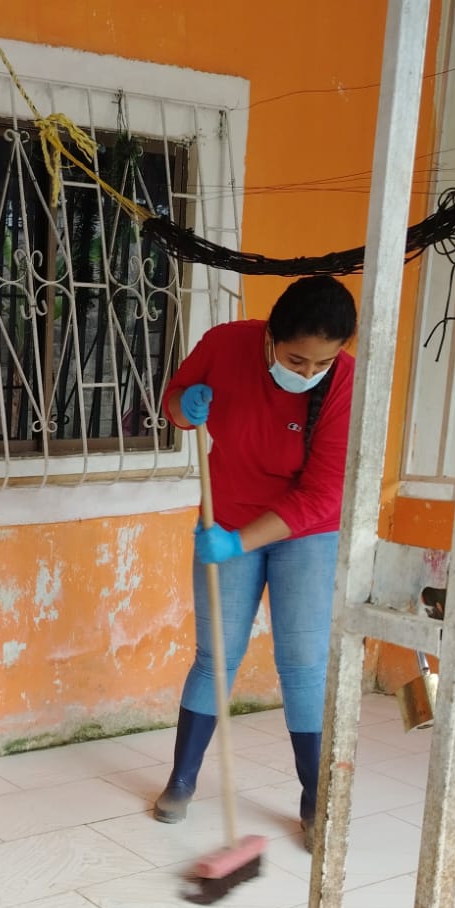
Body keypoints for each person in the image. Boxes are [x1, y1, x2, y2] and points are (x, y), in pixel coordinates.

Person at [153, 275, 357, 850]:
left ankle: (315, 797)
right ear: (271, 337)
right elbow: (175, 403)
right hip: (227, 513)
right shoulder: (226, 344)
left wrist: (237, 543)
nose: (309, 371)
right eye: (296, 359)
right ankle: (182, 780)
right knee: (215, 655)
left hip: (306, 532)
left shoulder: (345, 382)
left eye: (322, 362)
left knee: (303, 664)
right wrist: (183, 407)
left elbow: (322, 496)